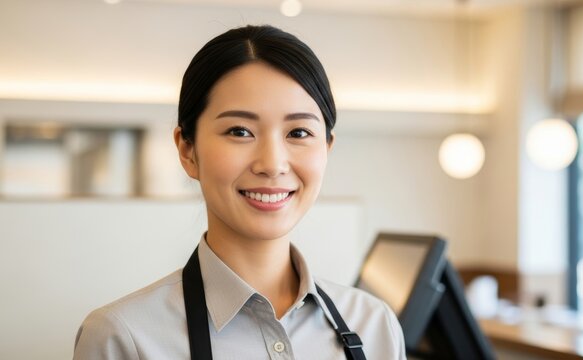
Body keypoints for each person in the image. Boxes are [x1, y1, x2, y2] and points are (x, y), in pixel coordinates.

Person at [72, 25, 406, 359]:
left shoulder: (374, 325)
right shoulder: (122, 337)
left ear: (327, 150)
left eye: (299, 132)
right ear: (188, 151)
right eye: (240, 131)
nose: (272, 164)